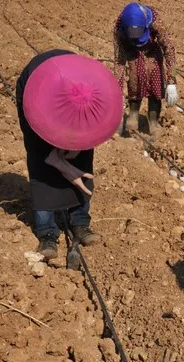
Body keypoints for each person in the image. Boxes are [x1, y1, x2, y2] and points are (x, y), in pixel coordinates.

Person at [16, 50, 123, 260]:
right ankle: (47, 231)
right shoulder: (37, 96)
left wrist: (75, 149)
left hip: (80, 92)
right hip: (37, 91)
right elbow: (48, 154)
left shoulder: (97, 91)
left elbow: (92, 127)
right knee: (41, 163)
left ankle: (80, 221)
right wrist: (61, 163)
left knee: (82, 156)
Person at [113, 2, 178, 138]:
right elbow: (119, 61)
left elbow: (169, 48)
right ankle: (133, 114)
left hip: (152, 50)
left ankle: (153, 122)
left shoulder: (154, 20)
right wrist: (117, 94)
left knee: (155, 80)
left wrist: (172, 80)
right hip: (131, 50)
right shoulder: (119, 28)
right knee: (135, 77)